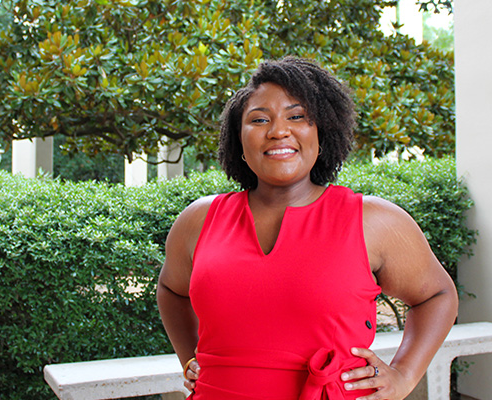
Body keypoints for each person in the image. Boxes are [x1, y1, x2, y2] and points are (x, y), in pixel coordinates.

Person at [156, 57, 458, 400]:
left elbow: (437, 295)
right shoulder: (199, 220)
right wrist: (191, 358)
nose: (278, 131)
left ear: (322, 132)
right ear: (238, 141)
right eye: (259, 119)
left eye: (296, 116)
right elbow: (171, 289)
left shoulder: (373, 220)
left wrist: (404, 375)